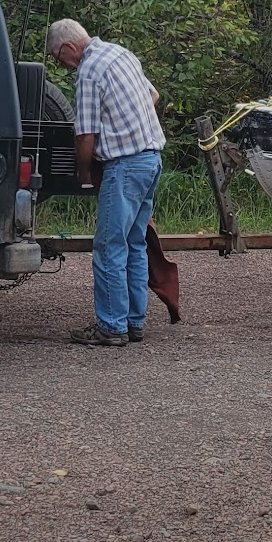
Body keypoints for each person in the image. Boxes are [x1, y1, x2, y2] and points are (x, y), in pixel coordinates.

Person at [45, 18, 164, 346]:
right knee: (134, 243)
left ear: (69, 48)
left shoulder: (89, 71)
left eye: (59, 58)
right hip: (151, 160)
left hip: (125, 166)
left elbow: (85, 135)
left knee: (109, 245)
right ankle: (134, 322)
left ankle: (111, 326)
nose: (63, 65)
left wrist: (84, 173)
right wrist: (125, 120)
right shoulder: (121, 54)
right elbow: (152, 95)